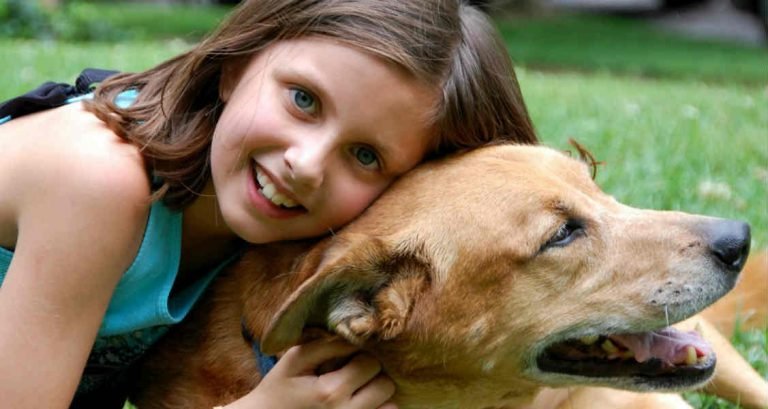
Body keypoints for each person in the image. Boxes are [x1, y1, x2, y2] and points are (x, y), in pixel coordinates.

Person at [0, 0, 537, 408]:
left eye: (365, 155)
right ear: (237, 64)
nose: (306, 164)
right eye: (303, 99)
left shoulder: (278, 233)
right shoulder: (96, 182)